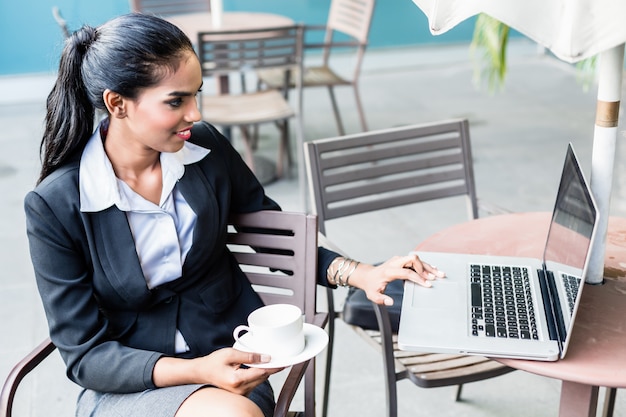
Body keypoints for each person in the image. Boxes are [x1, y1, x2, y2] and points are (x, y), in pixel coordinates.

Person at [24, 13, 445, 417]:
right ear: (118, 104)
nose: (196, 114)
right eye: (176, 100)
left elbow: (268, 232)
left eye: (196, 94)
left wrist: (359, 273)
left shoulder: (204, 149)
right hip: (133, 382)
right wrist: (196, 371)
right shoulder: (55, 205)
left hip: (232, 356)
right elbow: (85, 355)